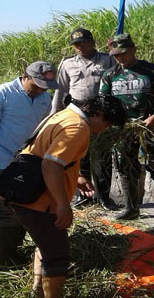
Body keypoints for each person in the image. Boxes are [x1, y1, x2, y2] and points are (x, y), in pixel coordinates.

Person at [9, 96, 127, 298]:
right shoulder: (78, 127)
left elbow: (49, 155)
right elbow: (51, 164)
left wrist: (76, 176)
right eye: (107, 124)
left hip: (22, 193)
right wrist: (63, 205)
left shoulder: (64, 115)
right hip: (40, 202)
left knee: (45, 247)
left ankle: (37, 292)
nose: (104, 129)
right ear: (96, 114)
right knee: (57, 258)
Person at [0, 61, 56, 265]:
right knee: (5, 214)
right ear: (25, 76)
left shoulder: (44, 97)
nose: (39, 91)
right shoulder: (0, 94)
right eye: (35, 85)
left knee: (23, 209)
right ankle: (2, 259)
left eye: (43, 87)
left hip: (27, 163)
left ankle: (13, 253)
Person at [99, 33, 154, 222]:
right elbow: (104, 101)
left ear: (134, 50)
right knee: (125, 165)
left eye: (123, 53)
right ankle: (131, 207)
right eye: (116, 55)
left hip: (151, 125)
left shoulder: (150, 70)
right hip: (124, 128)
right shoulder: (110, 75)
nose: (120, 58)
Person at [51, 28, 117, 211]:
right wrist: (55, 113)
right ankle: (84, 196)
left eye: (83, 43)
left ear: (92, 42)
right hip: (77, 115)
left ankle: (104, 197)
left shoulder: (107, 60)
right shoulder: (68, 64)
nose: (79, 47)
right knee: (80, 157)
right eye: (76, 44)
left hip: (100, 116)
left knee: (102, 158)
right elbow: (61, 90)